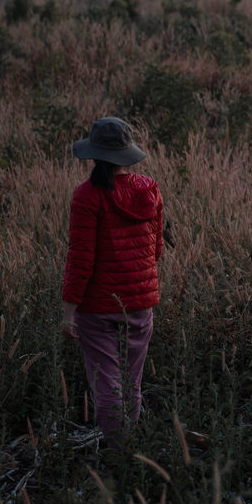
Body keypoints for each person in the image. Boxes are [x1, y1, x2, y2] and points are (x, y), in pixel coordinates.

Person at [62, 116, 164, 450]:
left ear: (94, 155)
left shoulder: (87, 196)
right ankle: (129, 451)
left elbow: (81, 259)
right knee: (131, 384)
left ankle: (118, 458)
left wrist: (69, 310)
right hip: (140, 305)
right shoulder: (149, 190)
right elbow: (156, 249)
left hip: (97, 308)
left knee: (107, 385)